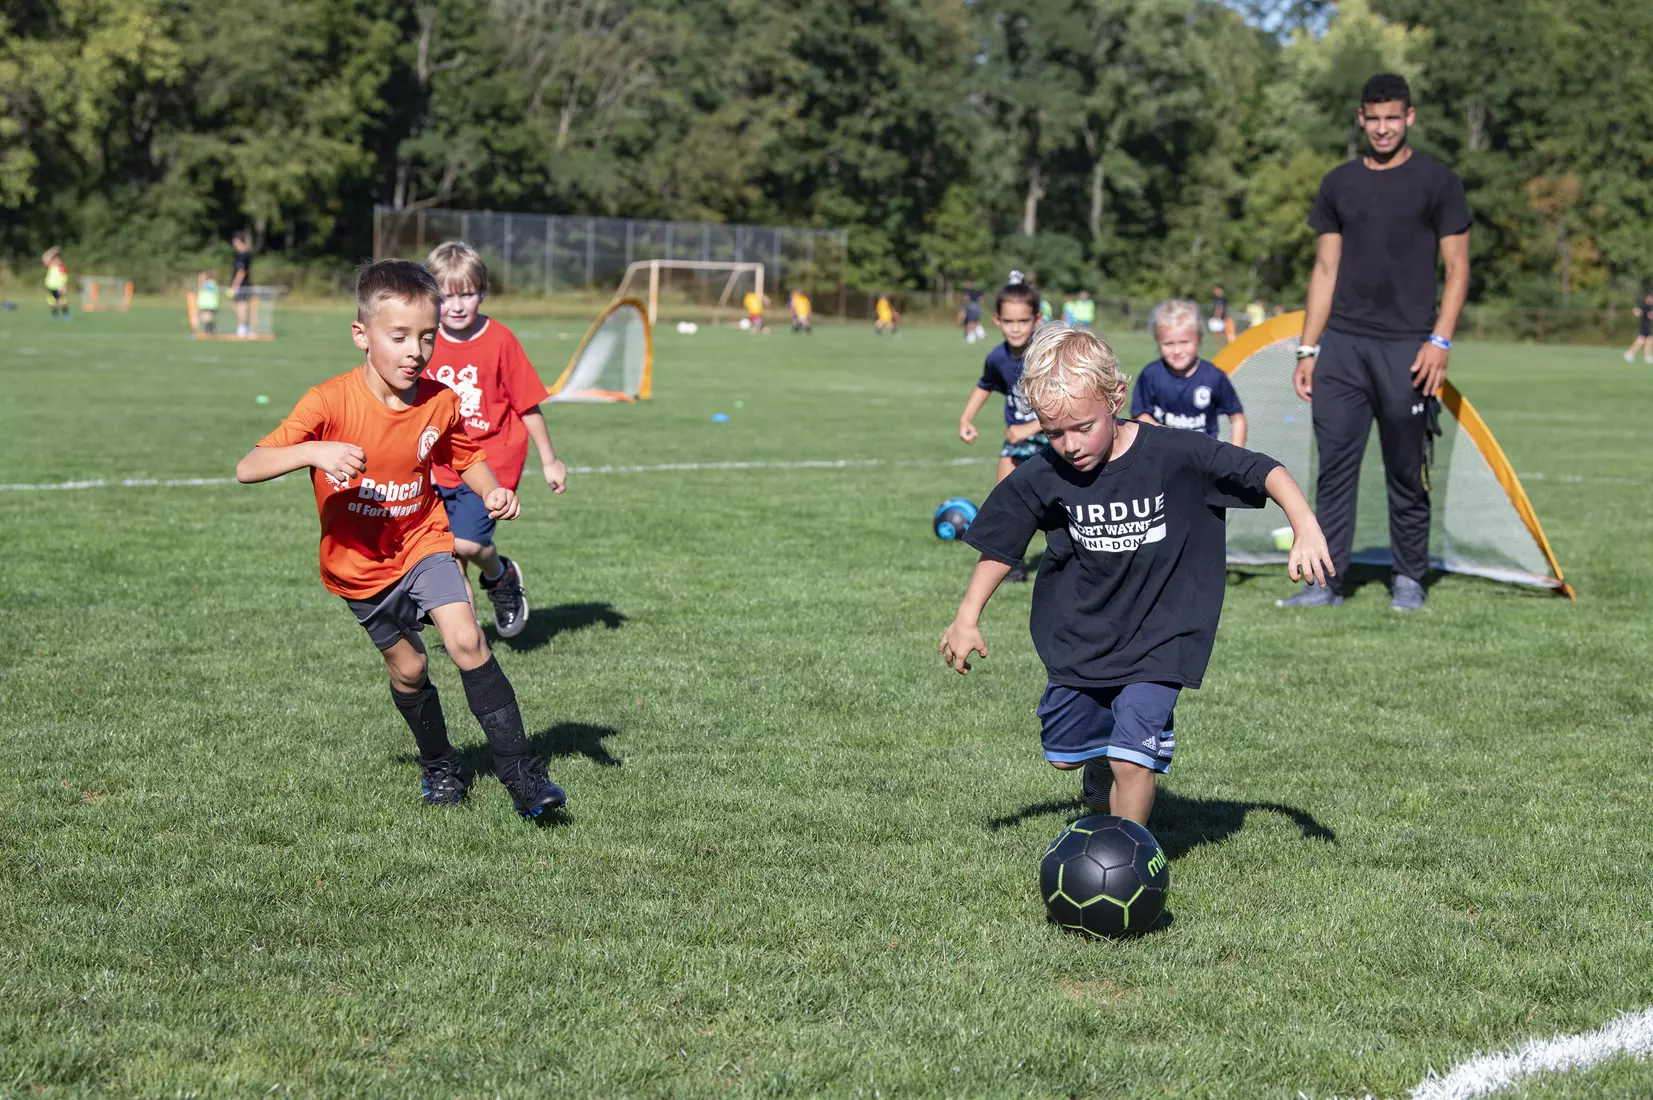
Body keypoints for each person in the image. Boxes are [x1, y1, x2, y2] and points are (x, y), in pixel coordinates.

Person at [940, 323, 1331, 825]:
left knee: (1134, 755)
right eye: (1053, 432)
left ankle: (1127, 859)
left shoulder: (1175, 453)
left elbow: (1262, 469)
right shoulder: (1045, 472)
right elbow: (1001, 541)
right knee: (1065, 754)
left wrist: (1305, 525)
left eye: (1083, 427)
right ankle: (1098, 764)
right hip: (1086, 633)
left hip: (1163, 634)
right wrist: (967, 615)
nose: (1070, 444)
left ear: (1116, 397)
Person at [234, 259, 567, 818]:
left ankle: (524, 781)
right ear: (362, 335)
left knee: (466, 641)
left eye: (427, 337)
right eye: (400, 337)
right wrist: (315, 452)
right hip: (358, 567)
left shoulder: (437, 401)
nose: (416, 350)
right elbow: (249, 466)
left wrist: (488, 492)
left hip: (423, 539)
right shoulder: (328, 402)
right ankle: (439, 764)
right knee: (410, 669)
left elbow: (466, 457)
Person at [1284, 72, 1470, 612]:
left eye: (1394, 118)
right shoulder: (1338, 183)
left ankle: (1409, 578)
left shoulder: (1439, 181)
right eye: (1374, 118)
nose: (1383, 128)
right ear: (1361, 119)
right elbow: (1324, 268)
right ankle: (1325, 581)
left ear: (1409, 118)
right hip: (1341, 347)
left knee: (1407, 469)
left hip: (1410, 348)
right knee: (1335, 468)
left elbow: (1458, 270)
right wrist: (1307, 348)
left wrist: (1440, 340)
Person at [422, 240, 567, 638]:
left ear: (482, 292)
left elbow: (528, 405)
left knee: (466, 544)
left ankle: (501, 576)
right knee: (446, 558)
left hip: (492, 458)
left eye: (466, 294)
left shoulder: (500, 339)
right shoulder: (425, 340)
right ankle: (467, 640)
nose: (456, 305)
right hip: (440, 464)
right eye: (446, 295)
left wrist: (550, 460)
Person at [955, 279, 1045, 581]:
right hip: (1018, 443)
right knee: (1005, 498)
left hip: (1057, 442)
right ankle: (1013, 564)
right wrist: (966, 419)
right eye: (1008, 321)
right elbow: (985, 385)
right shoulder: (997, 357)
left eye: (1023, 321)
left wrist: (1031, 426)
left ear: (1037, 320)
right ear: (997, 321)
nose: (1016, 328)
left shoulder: (1048, 356)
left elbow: (1070, 404)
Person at [1131, 299, 1247, 447]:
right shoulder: (1150, 375)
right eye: (1169, 344)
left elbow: (1237, 417)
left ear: (1199, 339)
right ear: (1158, 341)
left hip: (1204, 462)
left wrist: (1236, 457)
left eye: (1184, 342)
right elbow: (1139, 415)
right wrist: (1172, 436)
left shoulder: (1214, 376)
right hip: (1161, 456)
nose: (1177, 351)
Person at [230, 232, 253, 337]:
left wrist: (235, 285)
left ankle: (242, 327)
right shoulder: (243, 254)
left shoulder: (243, 255)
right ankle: (246, 326)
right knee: (235, 307)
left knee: (241, 305)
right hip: (241, 284)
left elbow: (241, 272)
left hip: (242, 285)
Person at [42, 247, 70, 320]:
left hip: (59, 287)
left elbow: (65, 279)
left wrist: (64, 287)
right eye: (55, 259)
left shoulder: (62, 268)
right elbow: (45, 257)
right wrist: (53, 251)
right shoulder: (51, 266)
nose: (57, 261)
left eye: (58, 259)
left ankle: (66, 315)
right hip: (51, 287)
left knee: (63, 302)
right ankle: (55, 315)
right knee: (52, 302)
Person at [1625, 291, 1653, 364]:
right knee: (1642, 340)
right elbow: (1636, 310)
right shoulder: (1646, 306)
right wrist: (1638, 313)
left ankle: (1647, 356)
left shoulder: (1649, 307)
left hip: (1647, 326)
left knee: (1649, 340)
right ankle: (1630, 353)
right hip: (1644, 326)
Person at [960, 279, 986, 343]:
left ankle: (971, 336)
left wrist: (963, 309)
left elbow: (966, 299)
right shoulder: (977, 291)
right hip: (977, 307)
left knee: (970, 322)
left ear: (969, 283)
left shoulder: (966, 291)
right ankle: (980, 334)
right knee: (975, 321)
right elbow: (981, 300)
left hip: (970, 307)